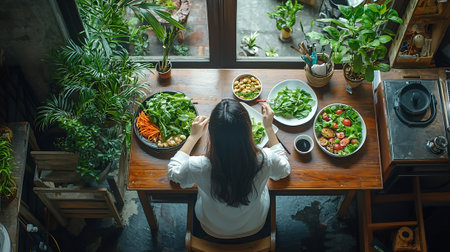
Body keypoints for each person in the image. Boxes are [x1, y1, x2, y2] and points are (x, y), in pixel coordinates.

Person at [168, 99, 290, 239]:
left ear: (212, 134)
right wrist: (269, 128)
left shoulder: (198, 166)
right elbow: (284, 170)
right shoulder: (266, 159)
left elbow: (173, 173)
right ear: (248, 130)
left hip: (211, 227)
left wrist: (193, 136)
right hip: (255, 225)